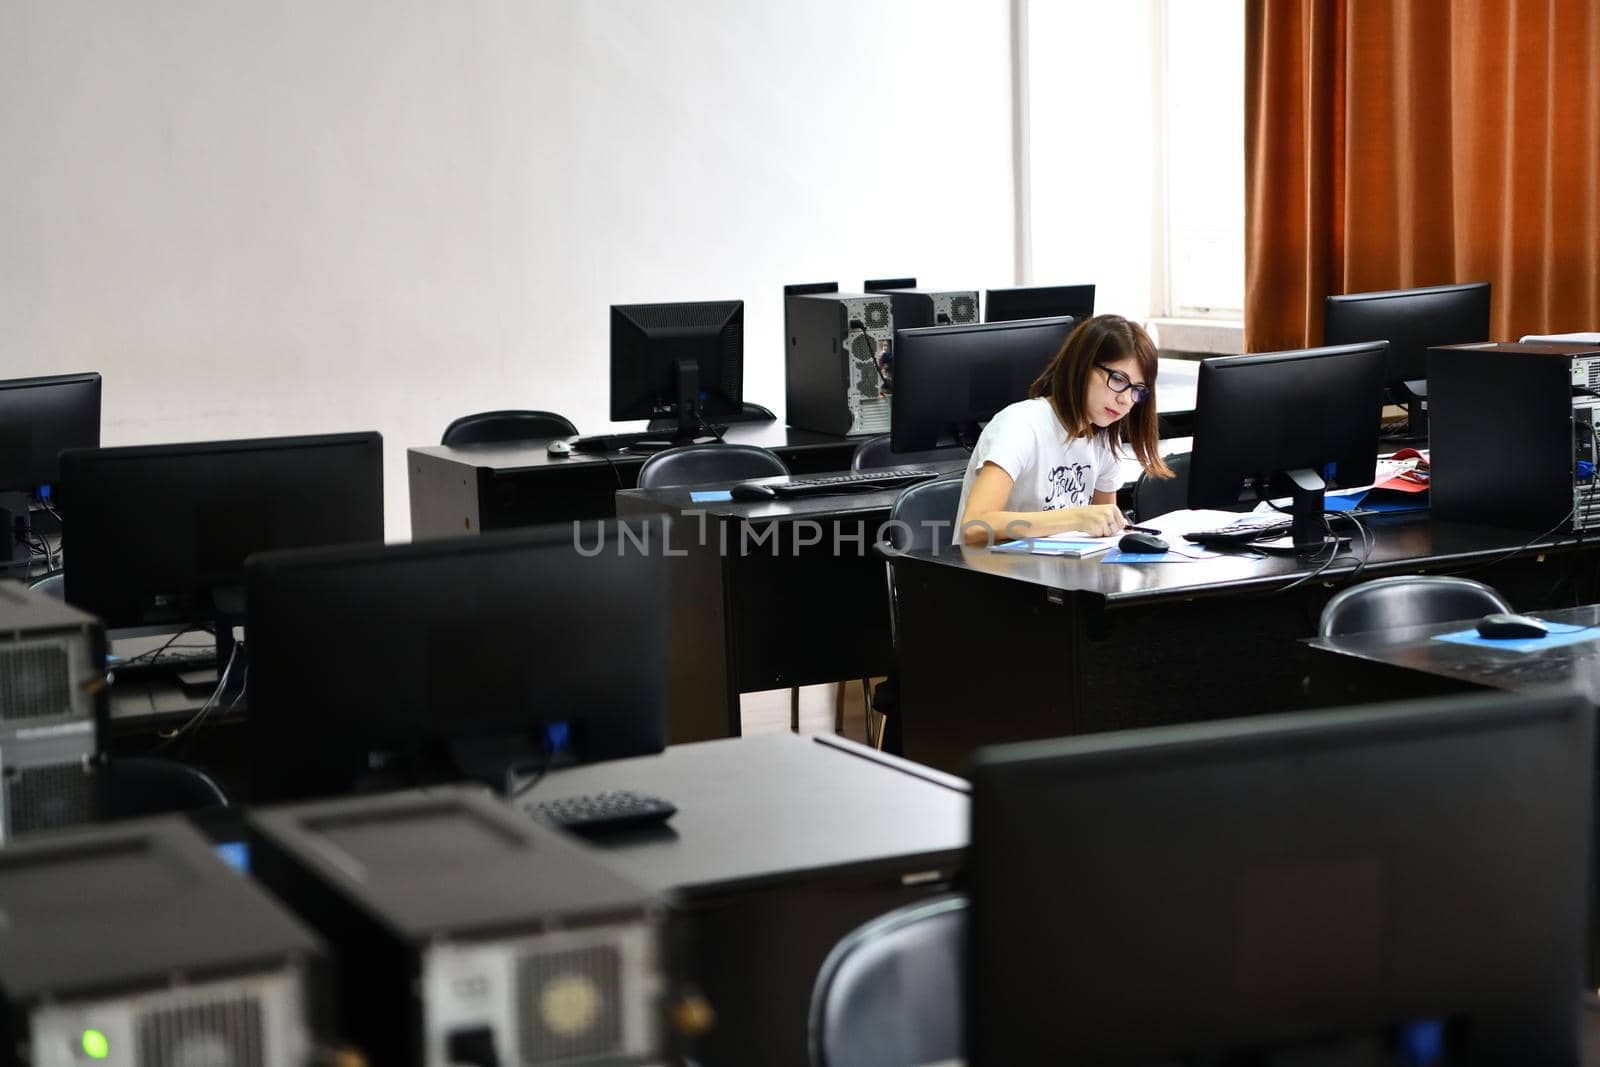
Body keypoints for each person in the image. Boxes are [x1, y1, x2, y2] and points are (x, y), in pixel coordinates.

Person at [956, 314, 1173, 546]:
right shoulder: (1020, 425)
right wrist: (1075, 518)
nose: (1126, 400)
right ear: (1082, 365)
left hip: (1057, 574)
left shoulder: (1105, 439)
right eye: (1118, 379)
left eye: (1137, 390)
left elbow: (1105, 535)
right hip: (991, 575)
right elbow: (975, 527)